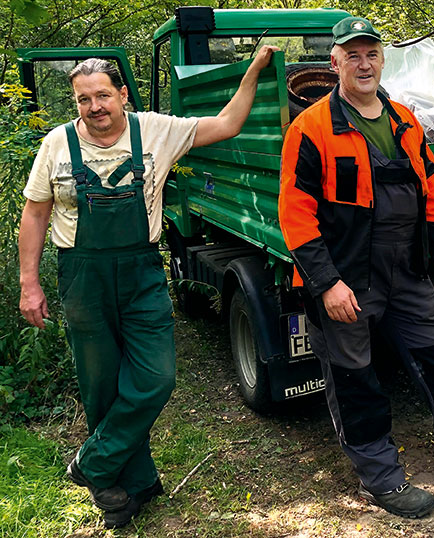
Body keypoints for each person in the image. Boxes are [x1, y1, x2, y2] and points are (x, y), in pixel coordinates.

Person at [18, 46, 278, 528]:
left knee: (155, 378)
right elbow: (35, 213)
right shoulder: (56, 143)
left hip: (140, 274)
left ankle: (92, 464)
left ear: (122, 96)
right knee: (101, 386)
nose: (94, 107)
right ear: (75, 103)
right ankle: (126, 487)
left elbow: (226, 124)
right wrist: (29, 283)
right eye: (82, 99)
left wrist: (255, 71)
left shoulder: (157, 129)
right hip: (82, 275)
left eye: (102, 95)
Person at [278, 16, 434, 519]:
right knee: (356, 379)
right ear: (335, 63)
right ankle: (383, 480)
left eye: (371, 53)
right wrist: (327, 284)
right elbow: (295, 214)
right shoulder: (311, 129)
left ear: (382, 60)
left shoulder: (406, 121)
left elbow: (431, 191)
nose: (363, 63)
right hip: (348, 278)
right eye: (352, 54)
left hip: (408, 273)